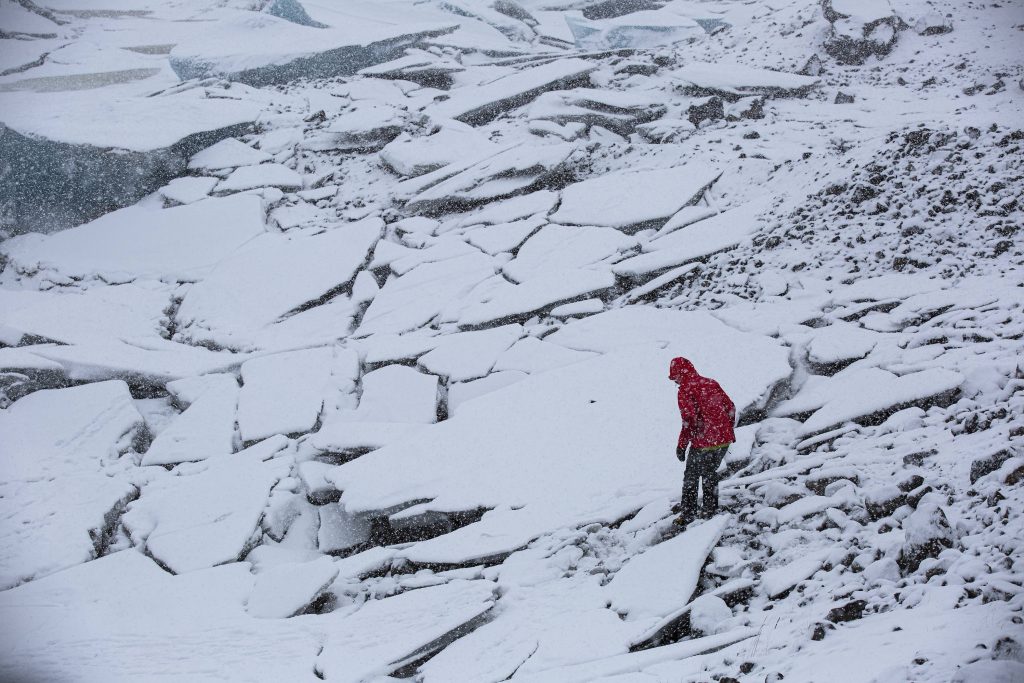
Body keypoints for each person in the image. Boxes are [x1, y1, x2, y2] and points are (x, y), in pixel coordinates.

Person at [669, 357, 736, 526]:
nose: (675, 382)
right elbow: (730, 407)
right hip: (723, 439)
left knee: (691, 476)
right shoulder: (711, 383)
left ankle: (688, 514)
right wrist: (725, 430)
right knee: (709, 473)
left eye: (675, 377)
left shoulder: (686, 389)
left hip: (704, 442)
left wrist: (681, 445)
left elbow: (689, 420)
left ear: (680, 374)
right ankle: (709, 511)